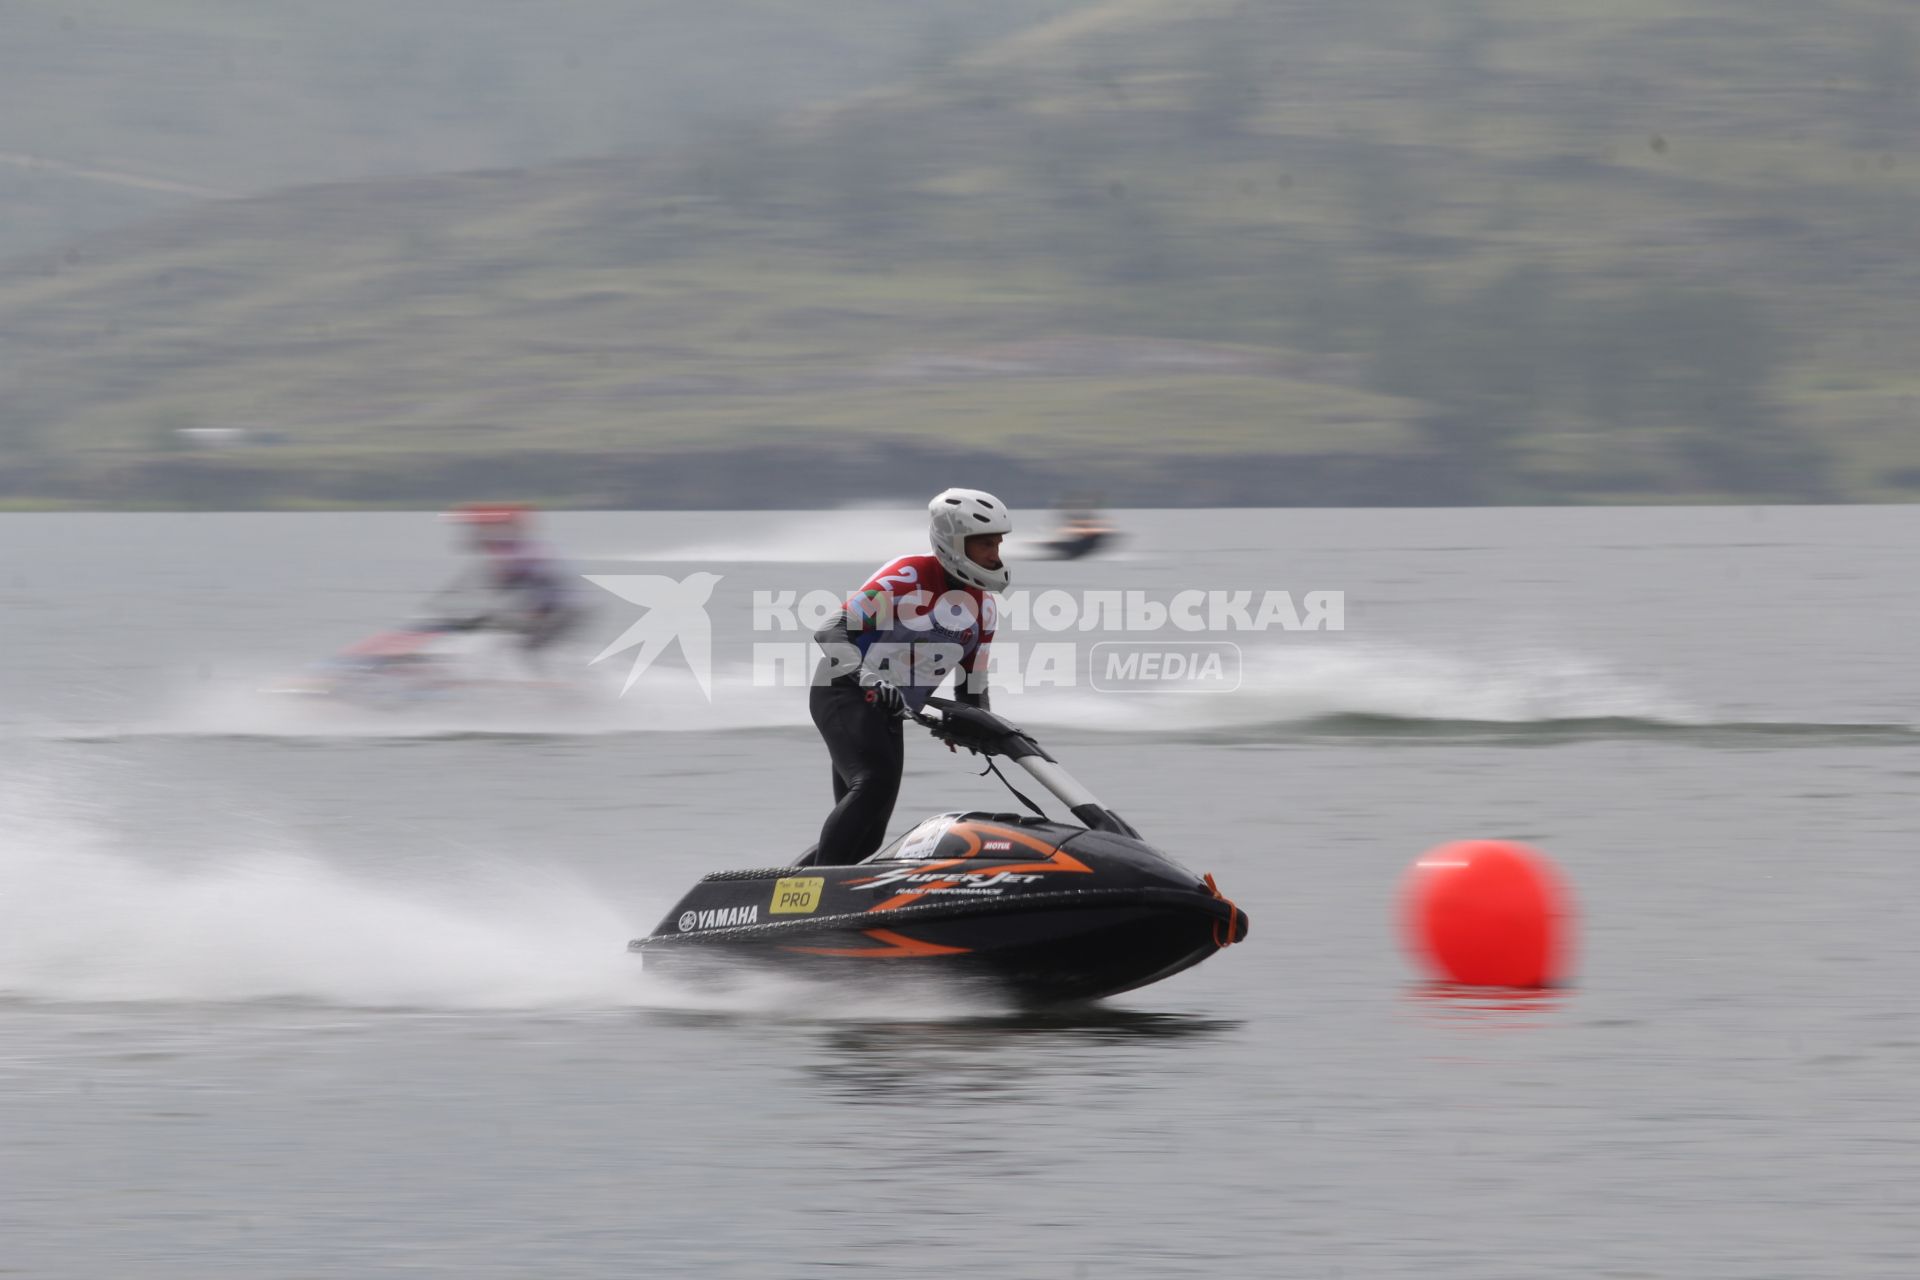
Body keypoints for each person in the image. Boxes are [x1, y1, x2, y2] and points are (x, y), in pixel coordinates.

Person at [800, 488, 1010, 867]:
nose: (995, 556)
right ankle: (813, 892)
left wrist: (984, 730)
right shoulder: (908, 575)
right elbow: (830, 632)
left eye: (997, 544)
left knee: (867, 837)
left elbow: (972, 692)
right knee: (873, 787)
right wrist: (867, 679)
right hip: (842, 690)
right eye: (985, 545)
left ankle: (783, 894)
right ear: (955, 543)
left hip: (886, 712)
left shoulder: (985, 610)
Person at [437, 503, 585, 673]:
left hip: (562, 611)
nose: (470, 538)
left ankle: (546, 683)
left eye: (478, 534)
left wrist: (472, 620)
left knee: (526, 650)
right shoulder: (513, 551)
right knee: (502, 637)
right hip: (554, 609)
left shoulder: (516, 554)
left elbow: (509, 589)